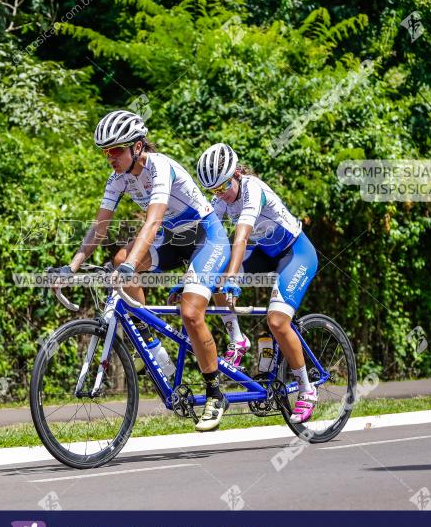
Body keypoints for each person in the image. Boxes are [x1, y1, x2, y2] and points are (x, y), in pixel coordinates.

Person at [50, 110, 232, 431]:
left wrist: (134, 262)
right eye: (106, 152)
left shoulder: (159, 166)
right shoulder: (117, 179)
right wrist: (71, 266)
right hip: (172, 241)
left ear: (137, 146)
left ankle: (215, 392)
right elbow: (99, 228)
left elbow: (153, 221)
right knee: (121, 261)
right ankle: (152, 345)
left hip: (205, 236)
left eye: (116, 150)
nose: (110, 158)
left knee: (189, 313)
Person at [196, 142, 319, 423]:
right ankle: (237, 341)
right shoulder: (222, 198)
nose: (222, 194)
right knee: (212, 279)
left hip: (296, 253)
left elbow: (241, 236)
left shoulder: (253, 188)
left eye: (225, 186)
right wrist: (194, 278)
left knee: (277, 321)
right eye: (214, 191)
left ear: (236, 173)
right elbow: (208, 240)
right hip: (265, 253)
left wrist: (233, 277)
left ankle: (306, 388)